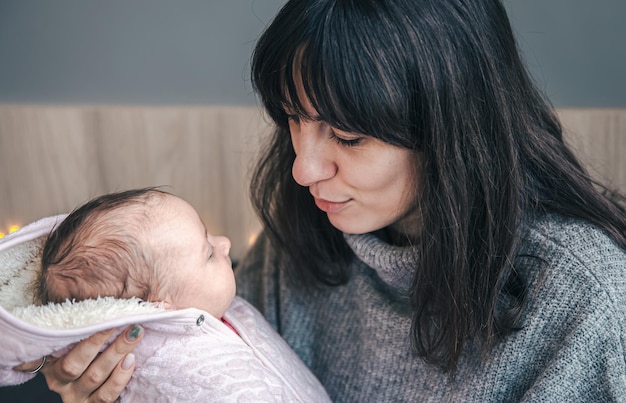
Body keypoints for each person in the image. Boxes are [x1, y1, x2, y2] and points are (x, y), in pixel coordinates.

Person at [18, 0, 626, 401]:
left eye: (348, 136)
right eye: (292, 120)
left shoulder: (583, 302)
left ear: (451, 128)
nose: (303, 168)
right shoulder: (304, 236)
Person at [12, 187, 330, 402]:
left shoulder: (208, 307)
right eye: (208, 251)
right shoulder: (173, 371)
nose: (226, 244)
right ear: (160, 307)